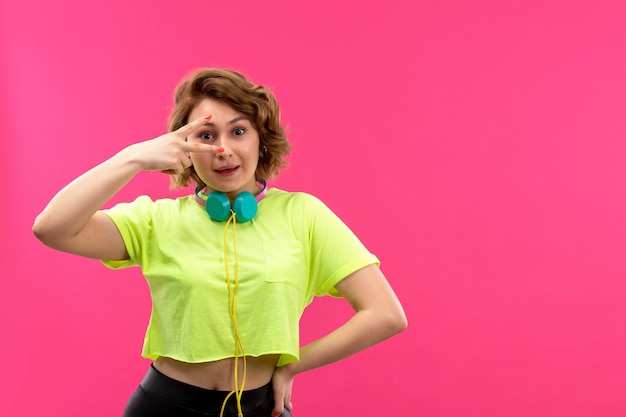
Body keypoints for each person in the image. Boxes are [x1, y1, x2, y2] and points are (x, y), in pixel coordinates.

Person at [32, 68, 407, 417]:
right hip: (165, 404)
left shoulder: (304, 215)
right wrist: (133, 157)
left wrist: (292, 365)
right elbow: (52, 228)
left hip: (262, 407)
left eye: (238, 131)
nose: (223, 149)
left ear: (261, 139)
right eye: (207, 136)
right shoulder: (155, 220)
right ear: (185, 149)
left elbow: (385, 315)